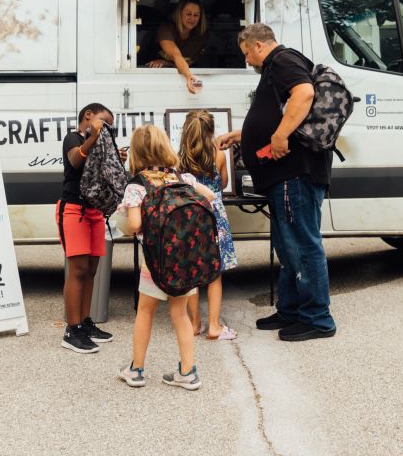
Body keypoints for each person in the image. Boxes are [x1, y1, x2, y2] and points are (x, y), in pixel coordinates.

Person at [217, 23, 337, 341]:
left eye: (246, 54)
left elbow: (304, 93)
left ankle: (317, 318)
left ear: (258, 45)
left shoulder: (283, 61)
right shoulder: (276, 67)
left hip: (294, 172)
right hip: (283, 176)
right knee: (287, 246)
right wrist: (243, 134)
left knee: (302, 245)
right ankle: (292, 309)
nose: (247, 61)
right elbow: (277, 114)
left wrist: (281, 135)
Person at [116, 124, 216, 390]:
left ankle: (136, 370)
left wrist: (124, 214)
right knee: (180, 315)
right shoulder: (181, 178)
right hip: (184, 257)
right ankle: (187, 371)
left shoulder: (137, 185)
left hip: (156, 261)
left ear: (136, 151)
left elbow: (135, 225)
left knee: (145, 313)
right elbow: (210, 197)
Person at [57, 103, 125, 354]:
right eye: (103, 122)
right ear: (88, 116)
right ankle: (71, 330)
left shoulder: (100, 144)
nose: (107, 128)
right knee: (77, 269)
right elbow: (75, 160)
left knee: (91, 270)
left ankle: (85, 322)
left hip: (95, 212)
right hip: (74, 209)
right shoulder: (73, 138)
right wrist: (93, 136)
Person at [179, 110, 238, 341]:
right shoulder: (218, 155)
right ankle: (214, 326)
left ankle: (194, 323)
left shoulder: (180, 159)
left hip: (189, 217)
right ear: (211, 131)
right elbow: (222, 183)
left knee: (192, 273)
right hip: (214, 217)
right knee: (215, 274)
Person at [146, 0, 207, 94]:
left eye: (196, 15)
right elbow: (175, 54)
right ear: (179, 14)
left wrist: (168, 64)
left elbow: (193, 63)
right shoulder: (166, 29)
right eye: (188, 14)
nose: (192, 18)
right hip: (156, 81)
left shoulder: (201, 35)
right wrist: (189, 77)